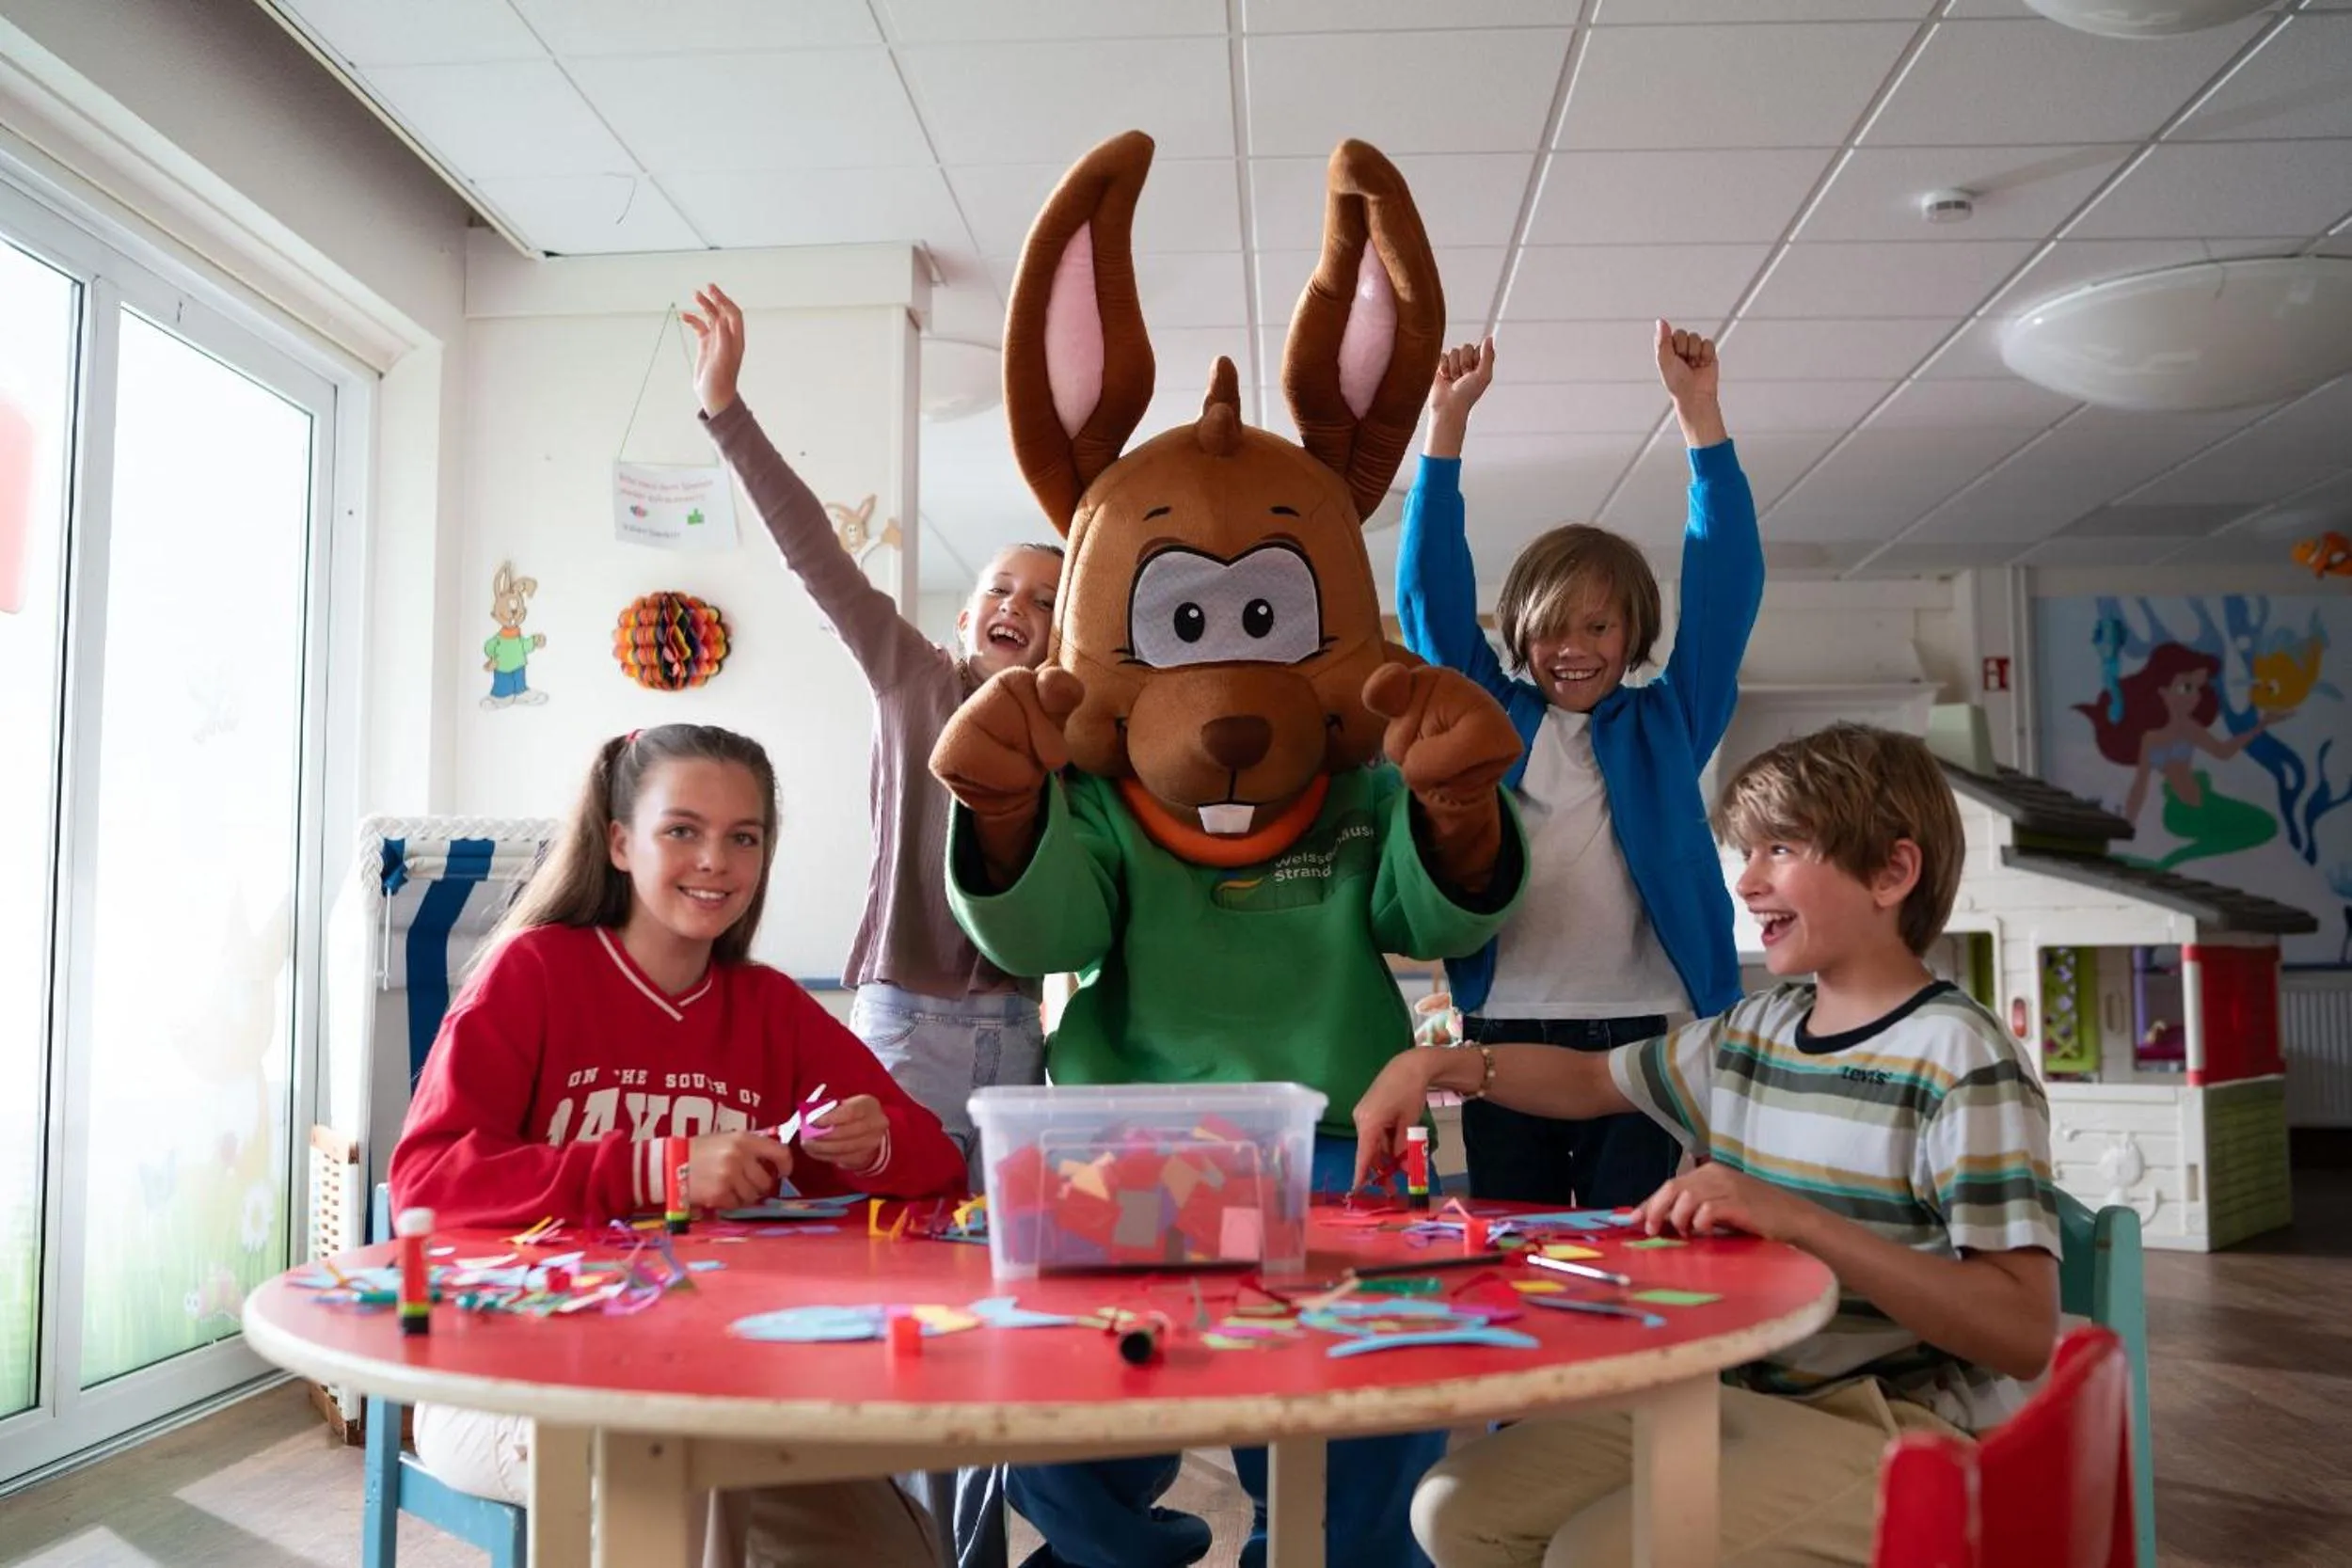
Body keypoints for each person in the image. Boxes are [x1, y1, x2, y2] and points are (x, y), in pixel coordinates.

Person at [1354, 722, 2061, 1567]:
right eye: (1745, 852)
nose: (1748, 881)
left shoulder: (1961, 1055)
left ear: (1892, 872)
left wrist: (1795, 1218)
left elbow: (2022, 1329)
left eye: (1781, 849)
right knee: (1455, 1508)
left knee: (1596, 1554)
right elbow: (1588, 1082)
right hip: (1726, 1391)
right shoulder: (1756, 1031)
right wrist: (1439, 1062)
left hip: (1895, 1423)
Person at [391, 723, 965, 1566]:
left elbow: (936, 1169)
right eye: (683, 830)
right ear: (621, 842)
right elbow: (427, 1183)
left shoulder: (768, 1006)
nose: (716, 861)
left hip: (717, 1379)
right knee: (690, 1492)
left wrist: (872, 1144)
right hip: (505, 1372)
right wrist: (656, 1167)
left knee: (898, 1550)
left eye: (745, 837)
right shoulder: (534, 973)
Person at [1392, 322, 1763, 1211]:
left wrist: (1699, 417)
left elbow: (1726, 587)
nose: (1574, 648)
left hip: (1647, 1028)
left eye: (1599, 627)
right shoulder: (1492, 720)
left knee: (1626, 1244)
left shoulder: (1667, 723)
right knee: (1509, 1237)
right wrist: (1444, 427)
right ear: (1519, 632)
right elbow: (1429, 596)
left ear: (1632, 633)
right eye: (1554, 627)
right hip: (1507, 1023)